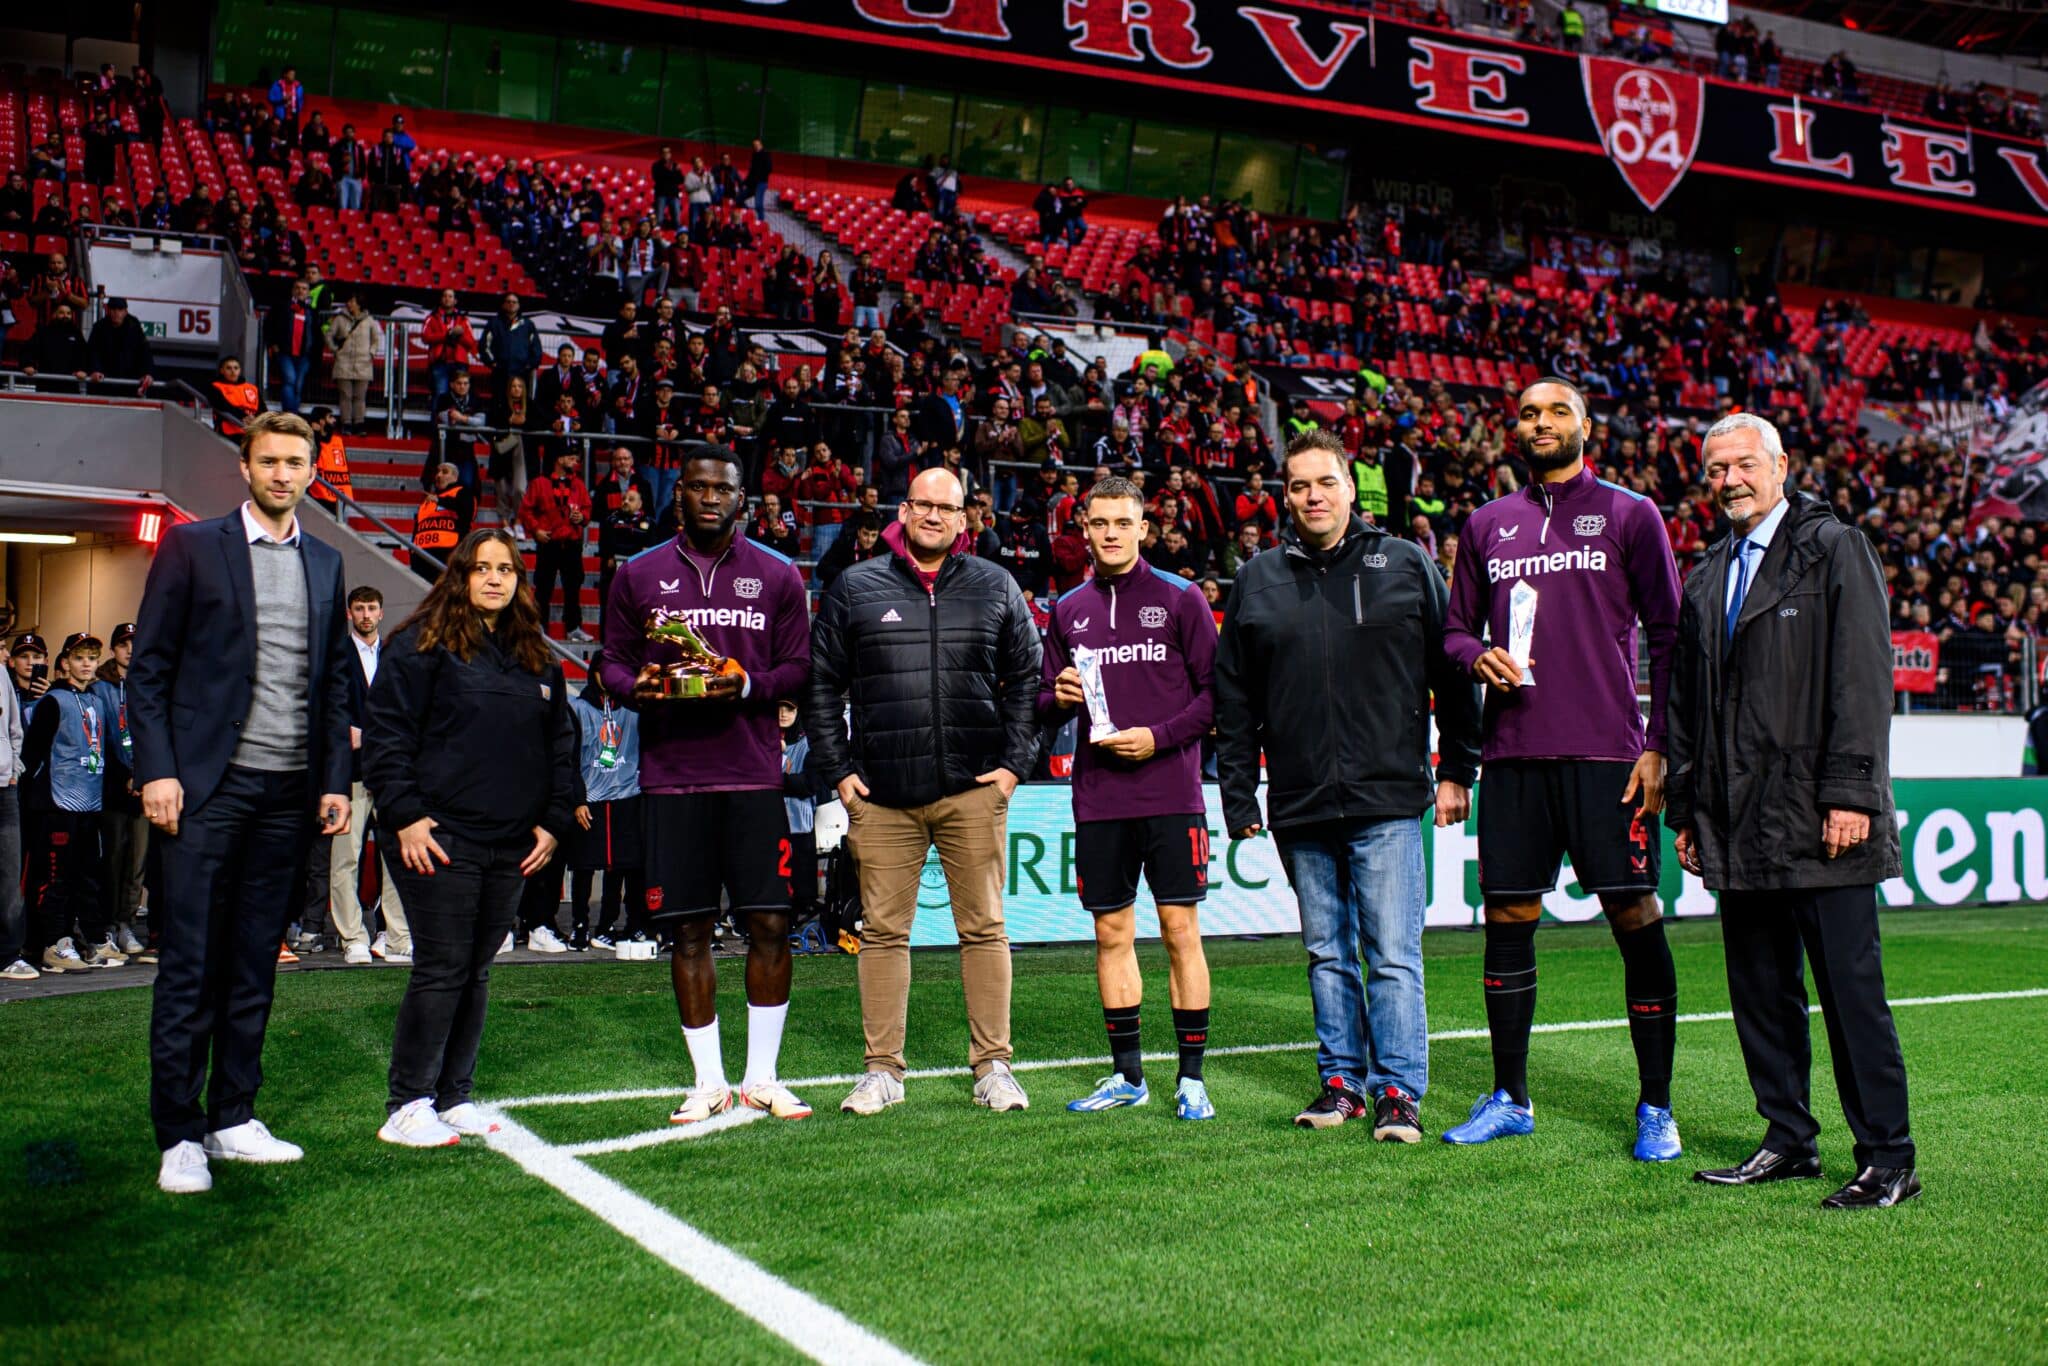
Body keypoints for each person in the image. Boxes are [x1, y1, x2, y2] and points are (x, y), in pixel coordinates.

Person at [1666, 414, 1919, 1210]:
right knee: (1762, 994)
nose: (1730, 479)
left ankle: (1889, 1157)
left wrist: (1851, 792)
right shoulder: (1707, 573)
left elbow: (1862, 679)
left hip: (1821, 820)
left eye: (1744, 464)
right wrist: (1688, 809)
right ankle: (1787, 1140)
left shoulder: (1835, 547)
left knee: (1851, 995)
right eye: (1716, 469)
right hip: (1737, 825)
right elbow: (1686, 708)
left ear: (1781, 466)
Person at [1440, 378, 1684, 1160]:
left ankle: (1656, 1107)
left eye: (1555, 412)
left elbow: (1670, 634)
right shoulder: (1487, 524)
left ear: (1586, 426)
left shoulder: (1628, 513)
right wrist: (1480, 655)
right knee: (1509, 921)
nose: (1539, 424)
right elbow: (1451, 635)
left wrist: (1660, 743)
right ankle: (1511, 1096)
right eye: (1528, 414)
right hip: (1513, 756)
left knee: (1634, 917)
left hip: (1610, 755)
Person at [1214, 430, 1480, 1138]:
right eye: (1299, 486)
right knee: (1327, 953)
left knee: (1391, 952)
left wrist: (1458, 767)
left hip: (1388, 798)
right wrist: (1238, 794)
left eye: (1324, 482)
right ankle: (1341, 1084)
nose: (1313, 496)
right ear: (1286, 496)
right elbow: (1233, 698)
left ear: (1349, 488)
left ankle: (1398, 1091)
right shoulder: (1257, 579)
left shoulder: (1405, 562)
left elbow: (1451, 674)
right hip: (1300, 802)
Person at [131, 410, 354, 1194]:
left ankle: (233, 1116)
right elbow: (148, 668)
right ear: (245, 467)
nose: (284, 474)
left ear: (310, 472)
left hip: (288, 795)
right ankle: (179, 1134)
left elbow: (331, 688)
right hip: (203, 791)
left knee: (256, 962)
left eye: (297, 462)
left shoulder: (325, 563)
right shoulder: (192, 547)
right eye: (270, 461)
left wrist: (332, 781)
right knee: (190, 964)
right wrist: (157, 770)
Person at [806, 466, 1042, 1116]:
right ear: (903, 512)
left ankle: (993, 1066)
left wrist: (1015, 764)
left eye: (948, 507)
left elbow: (1029, 676)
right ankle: (882, 1071)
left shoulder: (996, 585)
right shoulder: (856, 586)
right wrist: (839, 771)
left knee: (985, 929)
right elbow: (821, 684)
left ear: (965, 519)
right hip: (881, 794)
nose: (935, 515)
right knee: (883, 933)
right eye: (923, 504)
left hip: (973, 789)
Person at [596, 447, 815, 1124]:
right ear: (678, 495)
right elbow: (609, 664)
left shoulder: (779, 576)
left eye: (722, 489)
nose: (709, 498)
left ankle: (762, 1078)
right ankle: (709, 1082)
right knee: (688, 930)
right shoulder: (637, 574)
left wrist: (746, 684)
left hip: (753, 776)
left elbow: (798, 668)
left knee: (771, 922)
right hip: (673, 779)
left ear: (742, 499)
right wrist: (645, 688)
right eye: (696, 487)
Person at [365, 529, 579, 1147]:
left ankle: (452, 1096)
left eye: (505, 570)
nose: (493, 579)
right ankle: (407, 1103)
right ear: (458, 575)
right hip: (437, 836)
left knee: (477, 969)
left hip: (512, 842)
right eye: (481, 568)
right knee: (442, 966)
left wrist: (552, 821)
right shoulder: (419, 644)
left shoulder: (537, 656)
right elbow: (386, 736)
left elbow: (561, 747)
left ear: (518, 580)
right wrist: (404, 815)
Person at [1038, 477, 1219, 1120]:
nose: (1110, 532)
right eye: (1099, 522)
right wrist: (1053, 696)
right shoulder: (1067, 609)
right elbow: (1040, 697)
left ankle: (1192, 1077)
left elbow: (1216, 698)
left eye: (1123, 522)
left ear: (1145, 528)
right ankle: (1127, 1076)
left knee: (1179, 931)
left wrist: (1159, 737)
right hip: (1099, 798)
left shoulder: (1181, 597)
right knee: (1111, 933)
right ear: (1083, 530)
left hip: (1171, 793)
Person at [23, 632, 118, 972]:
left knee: (88, 874)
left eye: (92, 657)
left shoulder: (96, 700)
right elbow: (32, 753)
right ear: (64, 663)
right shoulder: (54, 700)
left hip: (90, 802)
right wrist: (30, 798)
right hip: (57, 803)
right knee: (55, 877)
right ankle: (53, 943)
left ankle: (90, 939)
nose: (87, 664)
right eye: (79, 658)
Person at [331, 587, 410, 966]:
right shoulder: (336, 657)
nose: (365, 614)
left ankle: (396, 936)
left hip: (392, 773)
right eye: (359, 608)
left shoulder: (395, 655)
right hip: (350, 775)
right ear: (350, 614)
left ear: (381, 613)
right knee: (345, 859)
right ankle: (353, 937)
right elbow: (329, 715)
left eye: (372, 608)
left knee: (397, 858)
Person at [566, 672, 642, 950]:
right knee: (584, 867)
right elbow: (569, 757)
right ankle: (579, 926)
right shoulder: (577, 708)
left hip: (626, 797)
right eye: (602, 671)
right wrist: (578, 800)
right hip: (590, 799)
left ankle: (608, 925)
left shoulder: (634, 708)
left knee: (621, 867)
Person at [92, 622, 148, 960]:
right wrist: (124, 774)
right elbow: (103, 737)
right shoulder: (100, 688)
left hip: (144, 788)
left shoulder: (149, 683)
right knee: (111, 858)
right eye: (124, 644)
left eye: (135, 643)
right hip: (112, 788)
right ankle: (107, 925)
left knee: (137, 861)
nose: (130, 649)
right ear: (114, 649)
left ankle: (126, 922)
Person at [521, 448, 593, 643]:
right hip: (549, 543)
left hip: (571, 543)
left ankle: (573, 627)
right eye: (570, 457)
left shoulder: (578, 484)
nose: (575, 461)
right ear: (558, 459)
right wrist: (536, 530)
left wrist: (582, 518)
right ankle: (539, 626)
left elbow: (587, 509)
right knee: (543, 587)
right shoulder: (539, 483)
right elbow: (526, 510)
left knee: (573, 587)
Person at [0, 639, 25, 979]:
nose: (6, 653)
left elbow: (15, 728)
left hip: (5, 788)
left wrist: (14, 768)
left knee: (8, 874)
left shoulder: (2, 674)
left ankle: (7, 955)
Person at [324, 292, 381, 436]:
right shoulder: (339, 319)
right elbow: (329, 335)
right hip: (343, 362)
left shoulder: (369, 321)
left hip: (363, 363)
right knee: (345, 395)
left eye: (352, 301)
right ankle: (346, 423)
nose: (349, 304)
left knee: (360, 396)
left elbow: (376, 339)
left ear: (359, 304)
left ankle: (359, 423)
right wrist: (335, 350)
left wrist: (371, 353)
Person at [264, 277, 319, 414]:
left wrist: (314, 353)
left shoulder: (312, 311)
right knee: (290, 380)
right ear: (293, 290)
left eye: (304, 288)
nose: (301, 291)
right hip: (285, 352)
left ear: (308, 292)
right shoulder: (281, 306)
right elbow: (269, 325)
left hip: (304, 355)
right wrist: (273, 344)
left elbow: (316, 334)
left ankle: (291, 415)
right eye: (298, 288)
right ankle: (291, 414)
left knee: (298, 385)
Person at [412, 463, 471, 584]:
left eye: (444, 472)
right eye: (438, 472)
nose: (439, 475)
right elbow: (417, 528)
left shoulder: (462, 492)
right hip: (422, 558)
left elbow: (465, 510)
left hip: (448, 557)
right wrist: (413, 552)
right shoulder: (428, 500)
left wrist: (440, 500)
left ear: (455, 477)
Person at [87, 297, 154, 393]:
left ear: (125, 312)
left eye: (120, 309)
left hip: (129, 383)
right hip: (104, 383)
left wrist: (147, 373)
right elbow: (93, 352)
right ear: (108, 311)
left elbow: (144, 352)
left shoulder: (134, 328)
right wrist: (95, 370)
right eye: (113, 309)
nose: (116, 312)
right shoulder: (99, 328)